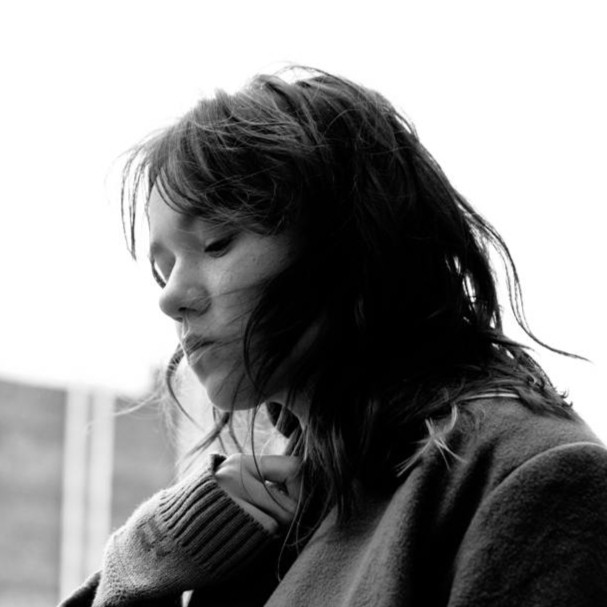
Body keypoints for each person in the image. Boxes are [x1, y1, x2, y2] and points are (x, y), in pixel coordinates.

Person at [59, 67, 607, 607]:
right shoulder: (252, 526)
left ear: (352, 239)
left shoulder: (530, 479)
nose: (171, 298)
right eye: (163, 272)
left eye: (217, 242)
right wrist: (142, 560)